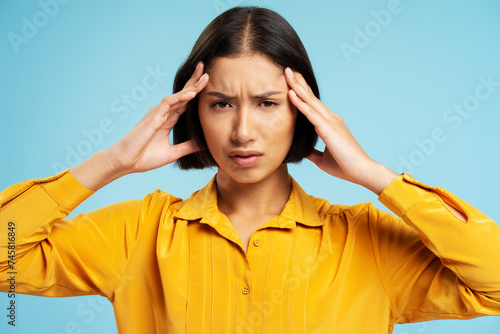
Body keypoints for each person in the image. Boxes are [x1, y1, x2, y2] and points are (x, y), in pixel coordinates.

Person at [1, 6, 499, 334]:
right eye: (220, 104)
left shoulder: (365, 243)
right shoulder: (139, 234)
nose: (242, 131)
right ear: (194, 110)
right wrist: (110, 163)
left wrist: (376, 177)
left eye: (266, 103)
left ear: (303, 111)